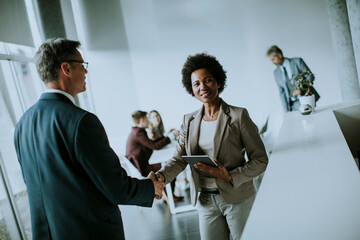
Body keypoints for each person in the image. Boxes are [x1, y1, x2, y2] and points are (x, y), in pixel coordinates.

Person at [13, 38, 164, 240]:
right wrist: (150, 187)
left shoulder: (23, 124)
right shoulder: (81, 121)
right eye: (82, 65)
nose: (86, 71)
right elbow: (114, 186)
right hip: (88, 231)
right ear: (66, 68)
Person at [156, 53, 268, 240]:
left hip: (238, 197)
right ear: (191, 89)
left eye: (207, 80)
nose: (203, 87)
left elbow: (260, 160)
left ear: (218, 81)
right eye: (196, 84)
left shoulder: (239, 116)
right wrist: (160, 176)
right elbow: (178, 158)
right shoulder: (188, 121)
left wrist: (230, 176)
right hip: (206, 200)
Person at [126, 110, 183, 201]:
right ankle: (169, 196)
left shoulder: (137, 131)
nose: (149, 121)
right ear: (142, 119)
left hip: (144, 164)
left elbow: (152, 143)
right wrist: (171, 136)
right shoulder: (139, 133)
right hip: (143, 168)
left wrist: (169, 136)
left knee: (170, 165)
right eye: (147, 118)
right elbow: (155, 146)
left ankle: (168, 195)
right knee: (171, 166)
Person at [267, 45, 320, 112]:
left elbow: (310, 76)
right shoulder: (276, 73)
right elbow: (281, 92)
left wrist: (300, 88)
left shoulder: (297, 61)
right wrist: (285, 109)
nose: (272, 62)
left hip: (306, 99)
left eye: (273, 59)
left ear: (279, 55)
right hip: (292, 106)